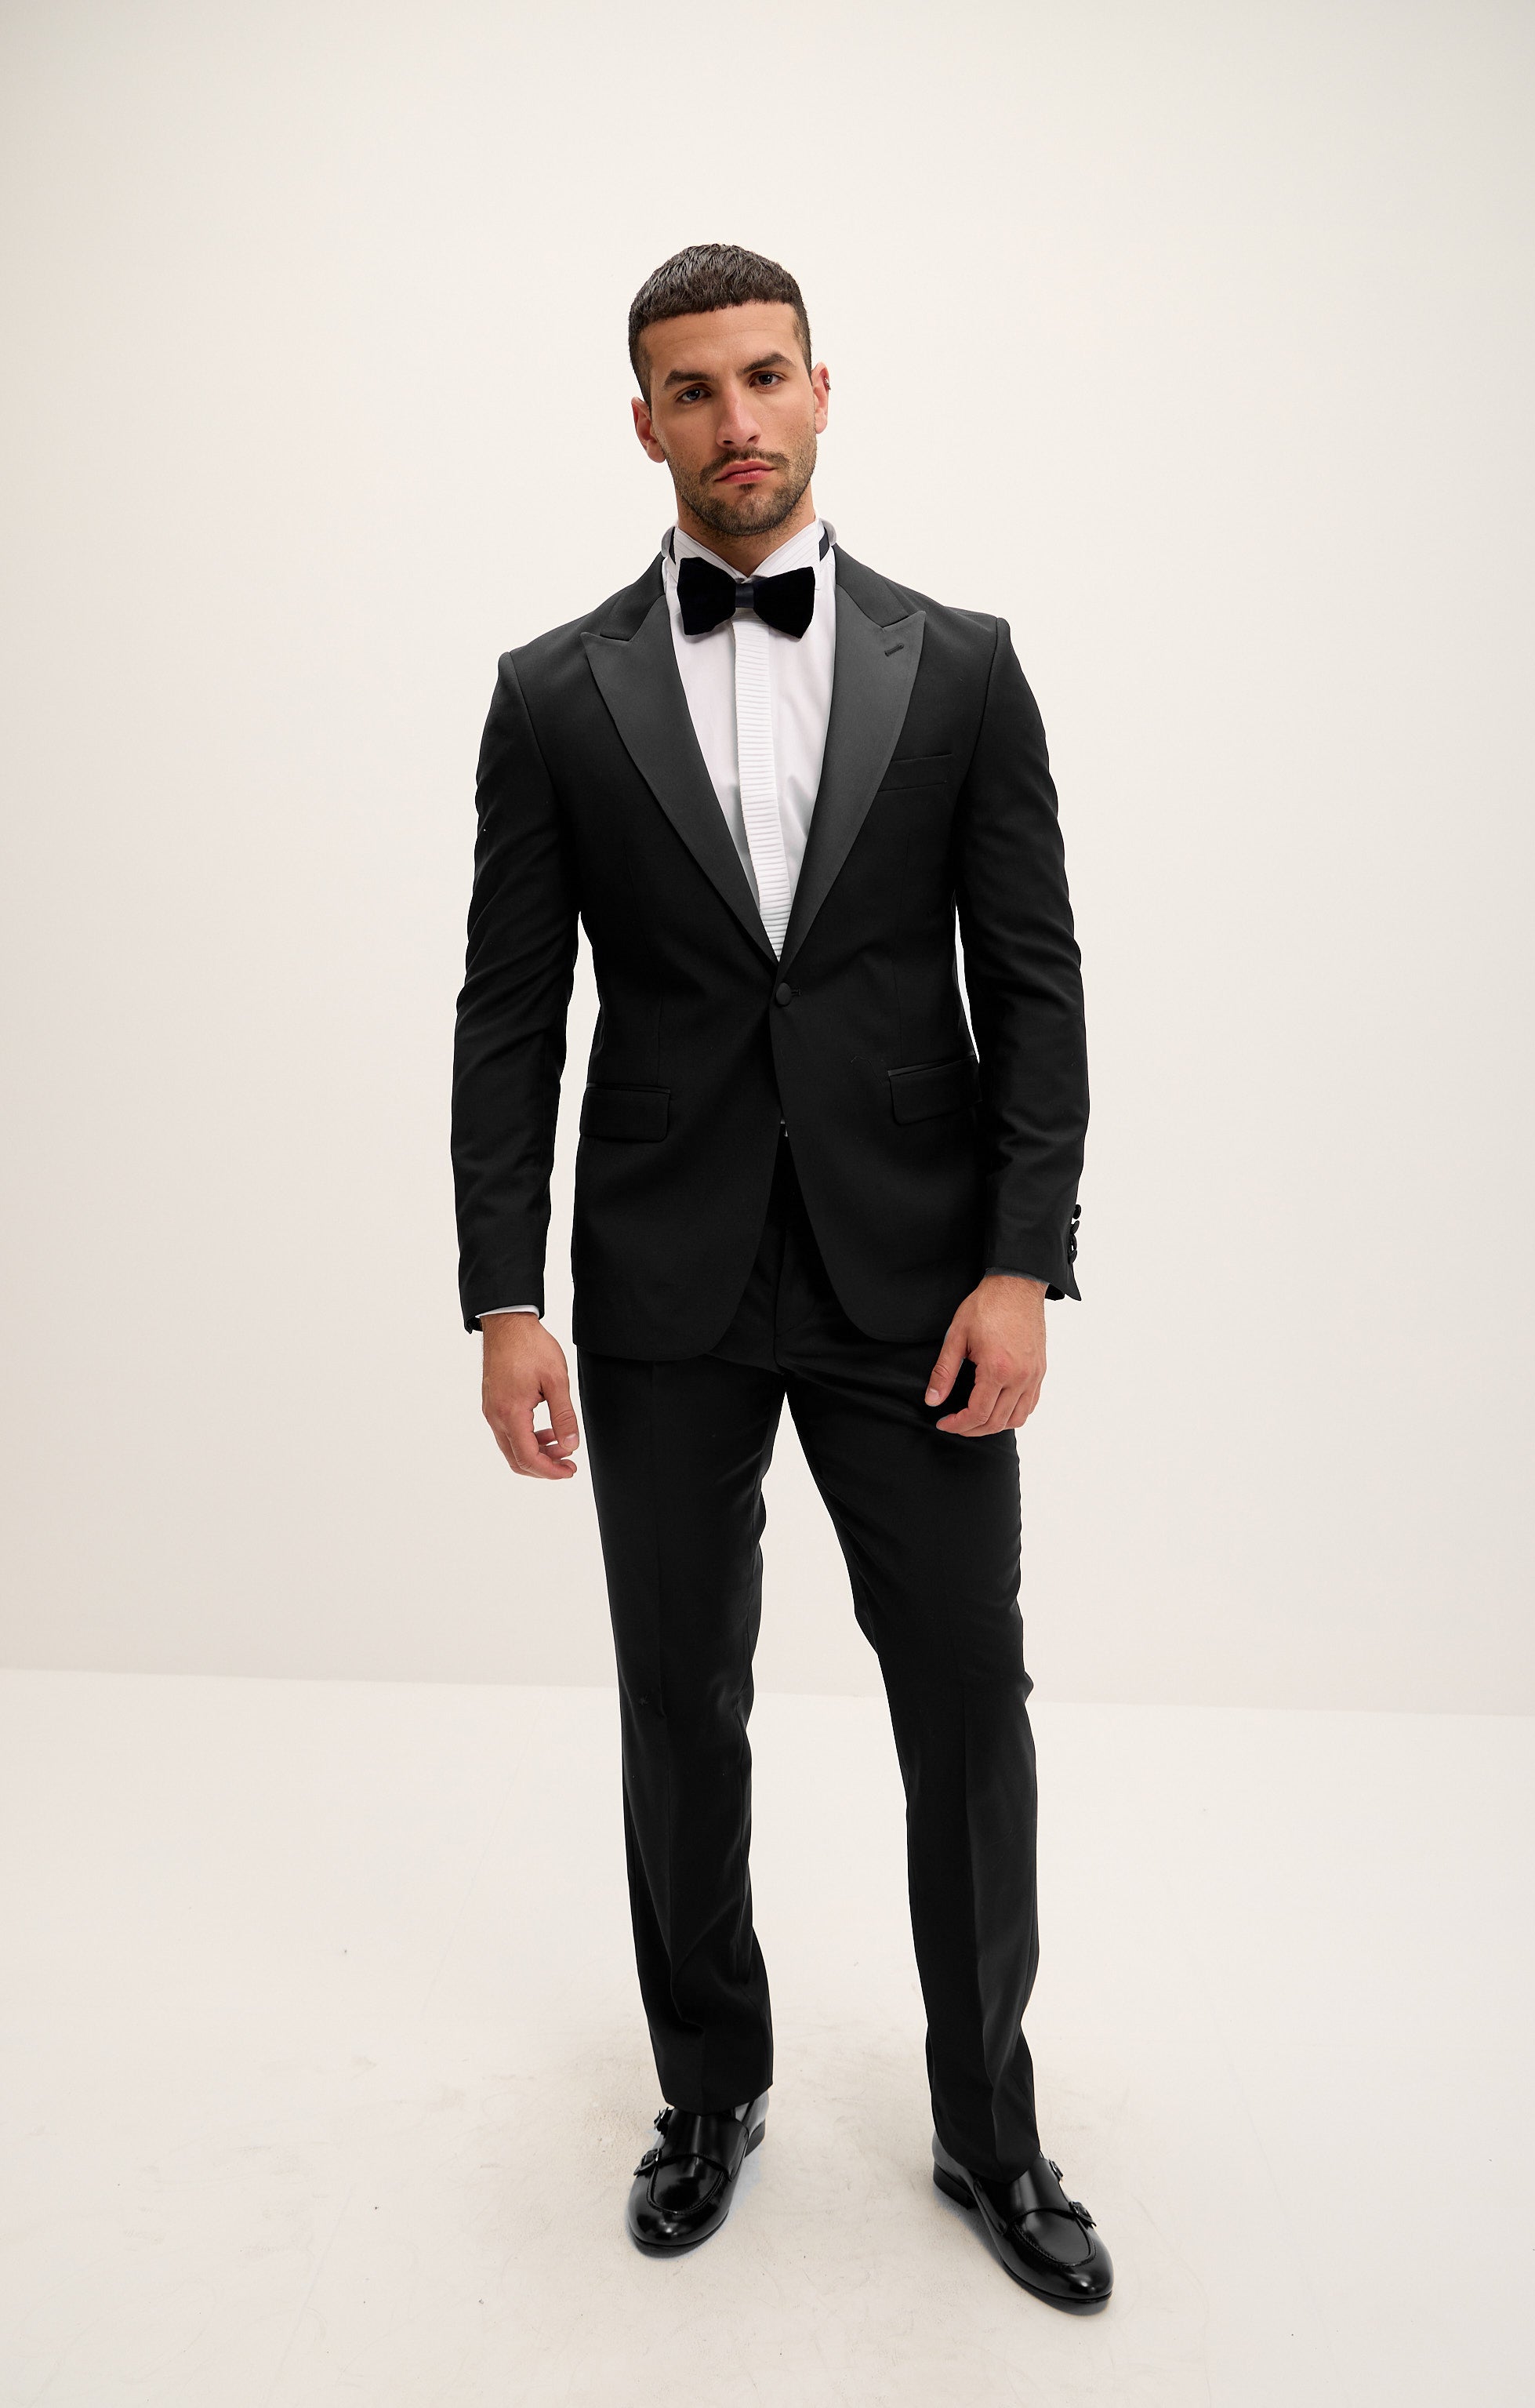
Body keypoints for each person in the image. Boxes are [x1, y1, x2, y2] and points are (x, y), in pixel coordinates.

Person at [450, 243, 1109, 2310]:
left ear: (822, 388)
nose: (734, 420)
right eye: (692, 388)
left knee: (967, 1700)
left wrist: (1023, 1263)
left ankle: (991, 2130)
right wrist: (503, 1297)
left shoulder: (964, 668)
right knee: (680, 1703)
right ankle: (708, 2091)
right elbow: (508, 1017)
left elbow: (1034, 983)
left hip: (918, 1285)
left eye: (763, 376)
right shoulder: (554, 694)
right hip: (663, 1285)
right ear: (642, 420)